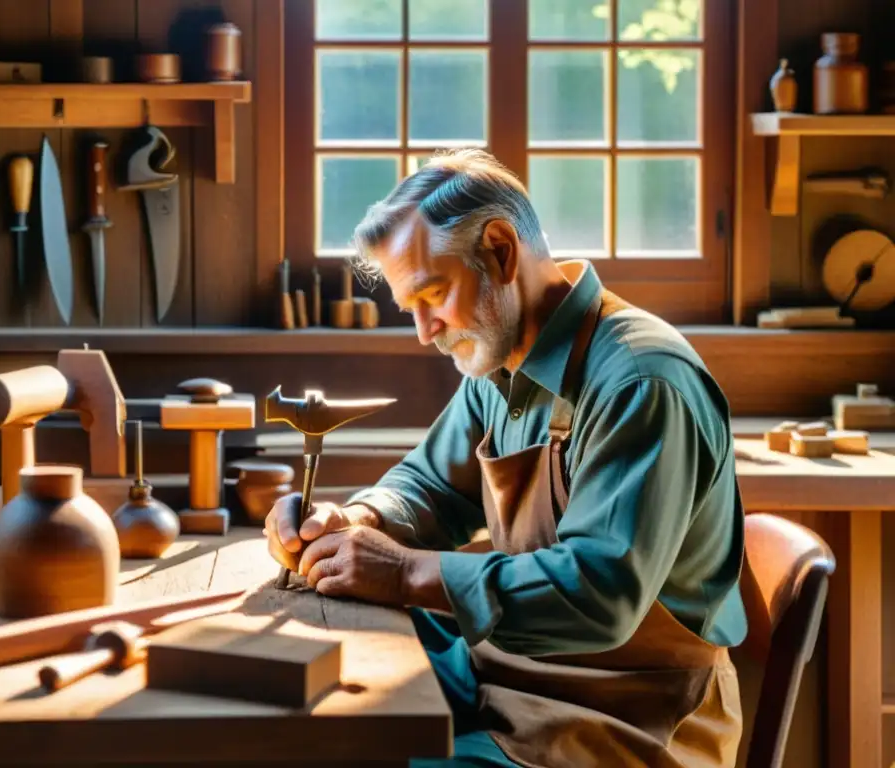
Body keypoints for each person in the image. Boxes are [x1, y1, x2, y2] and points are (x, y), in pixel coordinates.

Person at [263, 149, 748, 767]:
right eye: (410, 307)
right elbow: (431, 486)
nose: (424, 331)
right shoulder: (500, 360)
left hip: (630, 718)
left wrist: (407, 573)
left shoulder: (641, 380)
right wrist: (357, 522)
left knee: (370, 750)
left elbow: (599, 596)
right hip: (520, 673)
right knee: (326, 710)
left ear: (499, 250)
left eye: (432, 295)